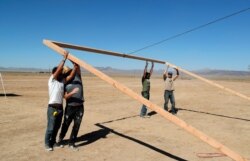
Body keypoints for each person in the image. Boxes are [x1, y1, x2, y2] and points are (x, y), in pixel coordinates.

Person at [45, 52, 77, 151]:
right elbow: (59, 70)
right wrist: (64, 59)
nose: (61, 73)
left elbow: (70, 76)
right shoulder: (52, 80)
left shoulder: (62, 82)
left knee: (57, 127)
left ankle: (54, 142)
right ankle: (47, 144)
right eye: (59, 72)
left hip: (60, 108)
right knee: (51, 127)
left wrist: (75, 67)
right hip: (52, 108)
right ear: (54, 73)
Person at [57, 63, 84, 150]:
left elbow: (77, 66)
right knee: (66, 124)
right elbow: (65, 97)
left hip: (80, 107)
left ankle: (71, 143)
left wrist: (70, 58)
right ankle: (60, 139)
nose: (68, 73)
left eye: (69, 72)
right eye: (66, 73)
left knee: (77, 125)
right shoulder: (64, 82)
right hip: (70, 107)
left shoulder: (78, 76)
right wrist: (72, 93)